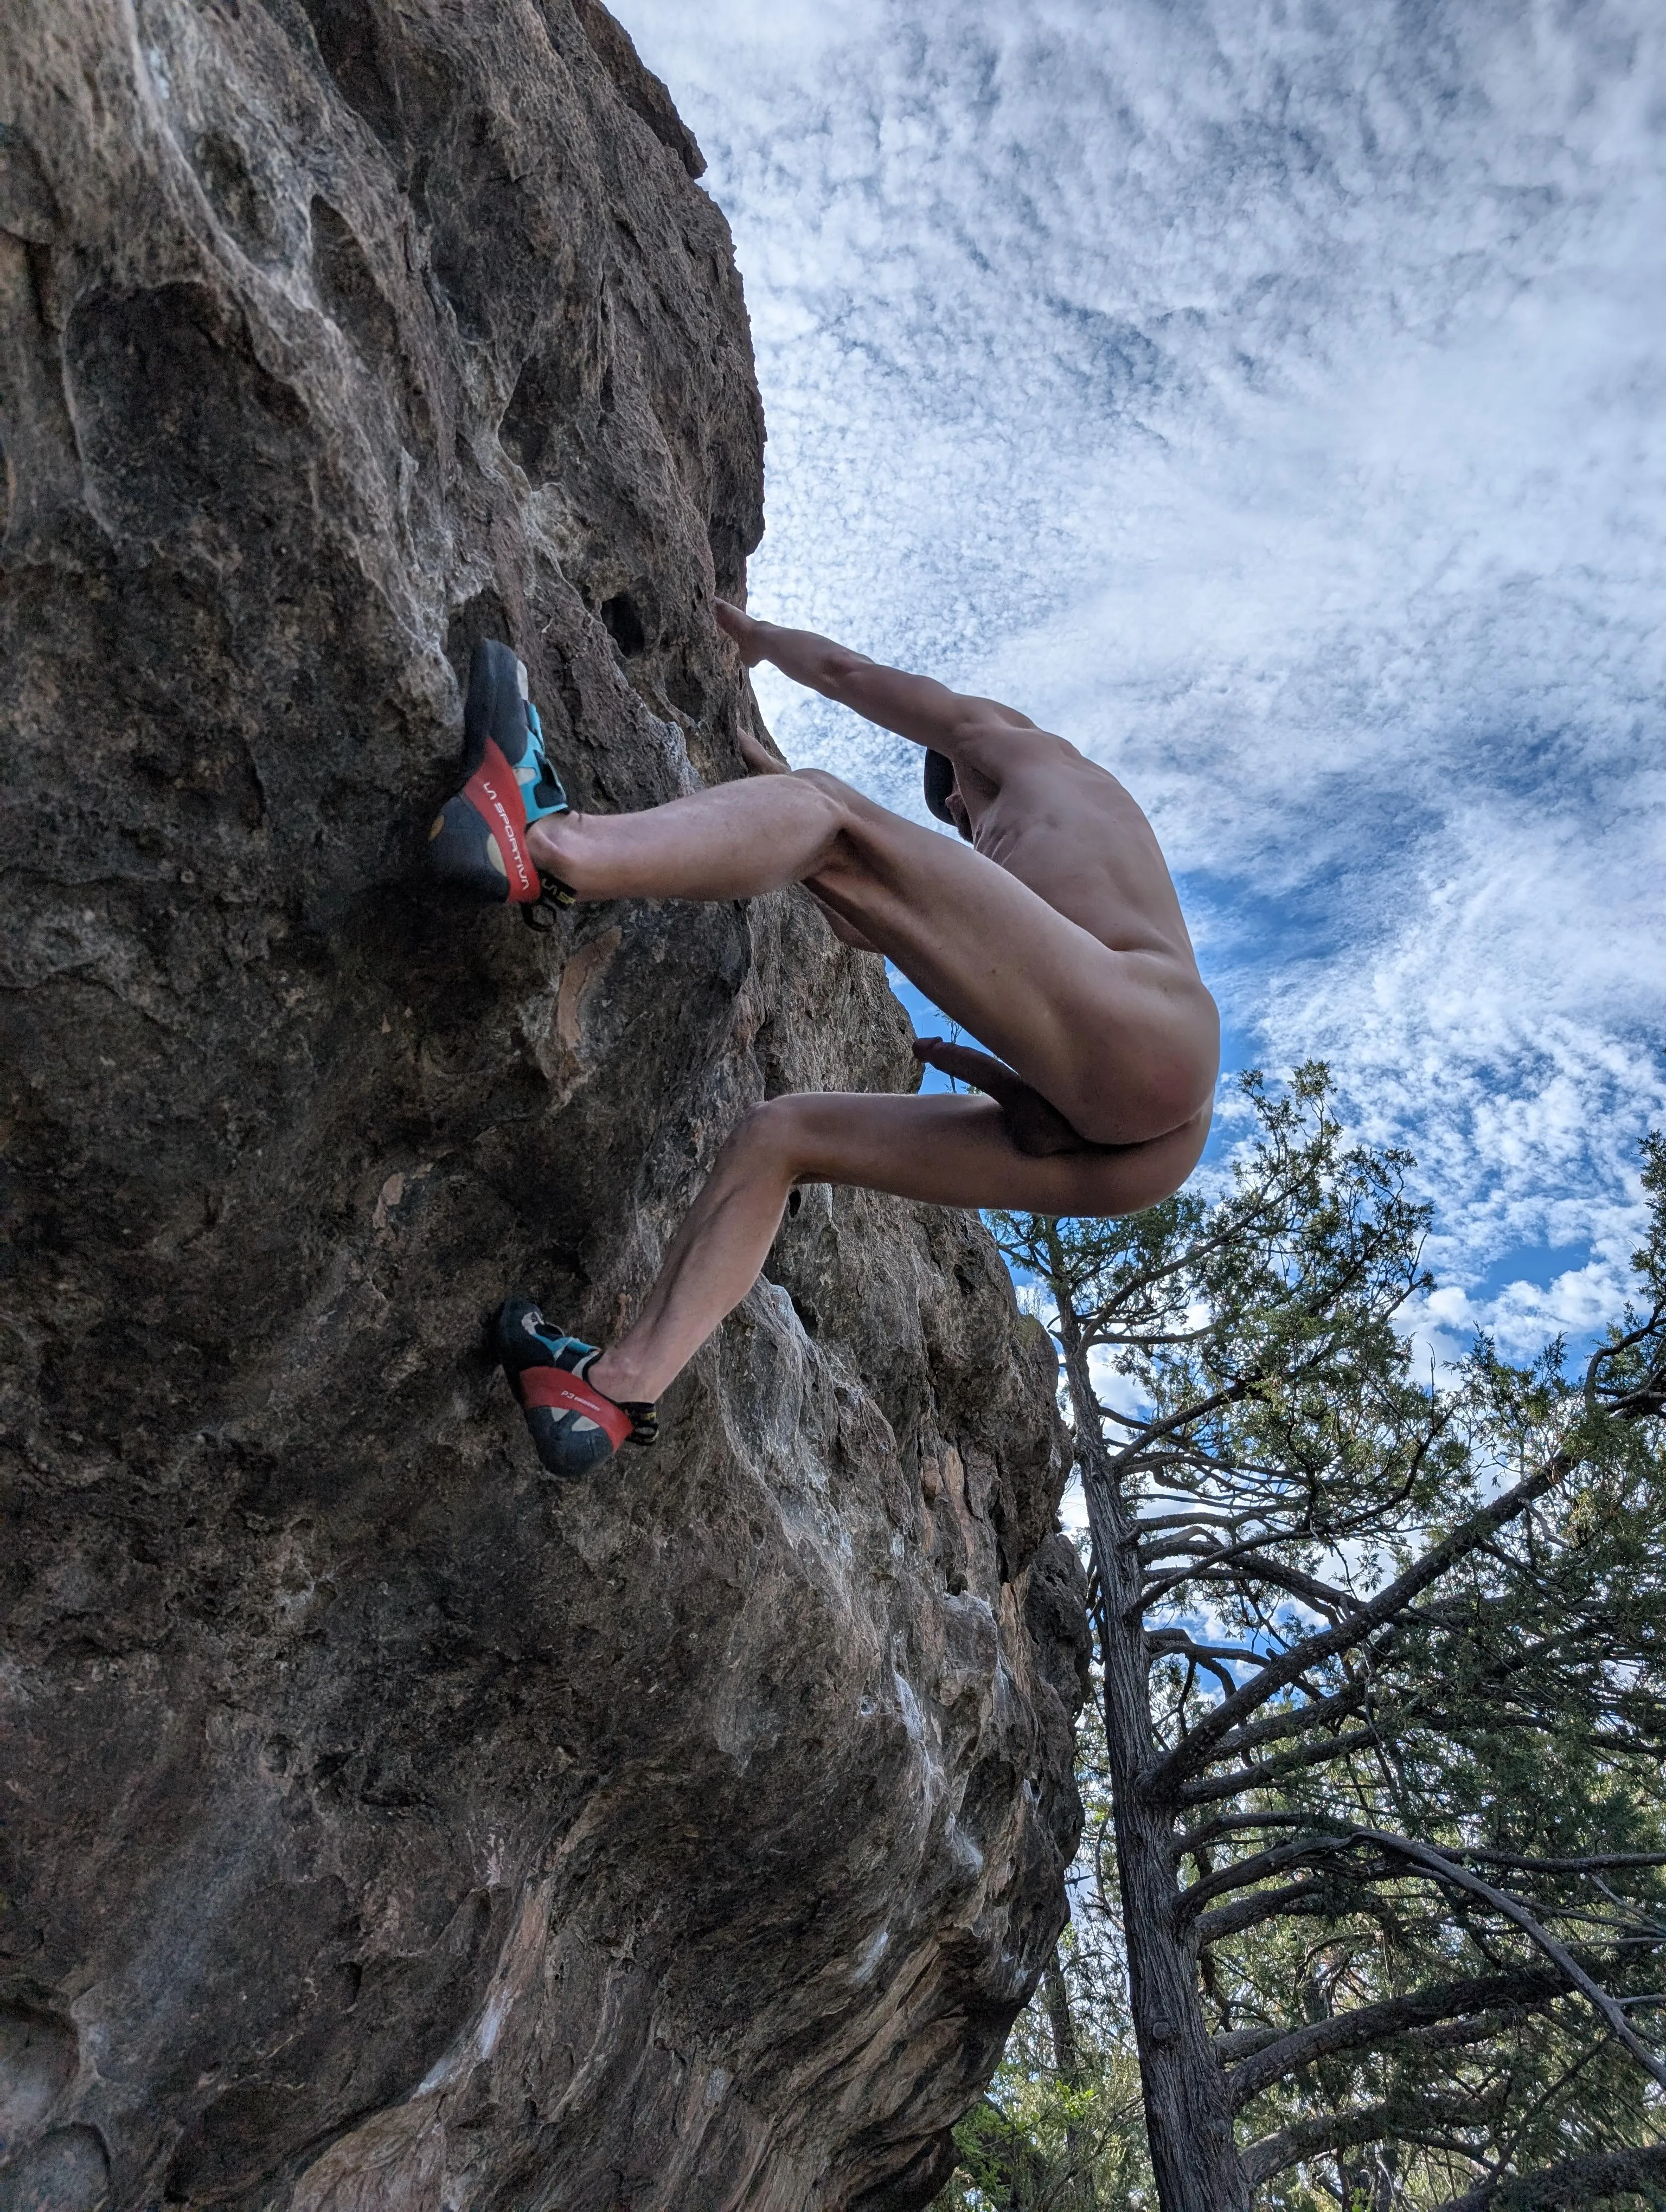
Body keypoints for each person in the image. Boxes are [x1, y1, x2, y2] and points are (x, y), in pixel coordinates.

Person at [430, 608, 1219, 1477]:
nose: (951, 803)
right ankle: (614, 1390)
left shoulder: (1031, 758)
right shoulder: (1023, 876)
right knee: (781, 1133)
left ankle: (542, 838)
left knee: (831, 810)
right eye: (944, 806)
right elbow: (864, 921)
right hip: (1134, 1157)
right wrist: (779, 813)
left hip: (1154, 1026)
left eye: (946, 786)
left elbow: (850, 676)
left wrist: (754, 643)